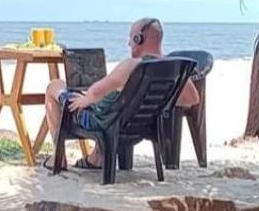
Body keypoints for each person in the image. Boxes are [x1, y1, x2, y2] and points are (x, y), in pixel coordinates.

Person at [43, 17, 199, 169]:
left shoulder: (132, 65)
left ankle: (59, 157)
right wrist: (161, 99)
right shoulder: (176, 66)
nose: (128, 43)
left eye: (131, 38)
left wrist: (85, 100)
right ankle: (97, 157)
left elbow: (96, 91)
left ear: (139, 38)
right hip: (143, 124)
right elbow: (193, 98)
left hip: (102, 121)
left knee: (54, 86)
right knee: (111, 100)